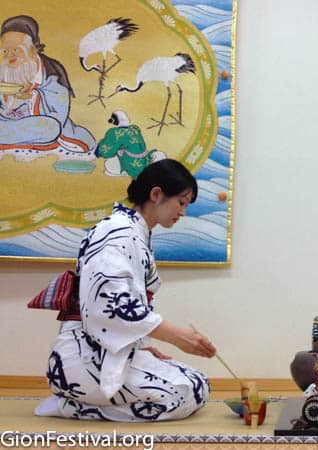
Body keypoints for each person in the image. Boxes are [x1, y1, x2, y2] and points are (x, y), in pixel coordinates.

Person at [35, 159, 216, 421]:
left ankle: (84, 401)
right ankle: (71, 405)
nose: (183, 212)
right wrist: (177, 336)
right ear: (156, 194)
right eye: (181, 202)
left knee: (198, 382)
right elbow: (112, 305)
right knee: (183, 393)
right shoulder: (117, 232)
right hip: (83, 356)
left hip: (107, 350)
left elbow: (124, 307)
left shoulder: (133, 232)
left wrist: (141, 346)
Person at [0, 15, 95, 155]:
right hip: (6, 119)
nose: (10, 55)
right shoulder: (4, 71)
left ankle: (8, 137)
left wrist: (32, 96)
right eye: (5, 51)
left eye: (17, 49)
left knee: (51, 128)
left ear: (32, 49)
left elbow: (59, 112)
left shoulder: (51, 73)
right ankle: (13, 137)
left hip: (40, 123)